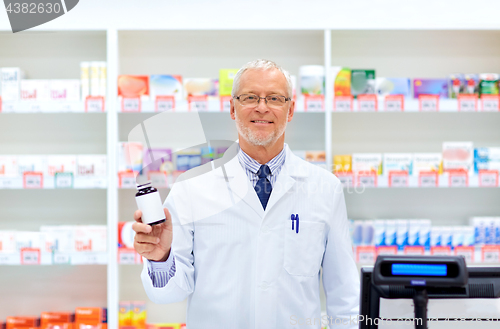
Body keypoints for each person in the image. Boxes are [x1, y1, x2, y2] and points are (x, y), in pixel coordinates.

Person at [133, 59, 360, 329]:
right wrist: (161, 257)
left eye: (274, 98)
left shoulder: (325, 188)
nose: (262, 107)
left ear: (290, 110)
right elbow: (168, 294)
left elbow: (344, 294)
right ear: (232, 108)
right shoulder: (191, 188)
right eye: (250, 97)